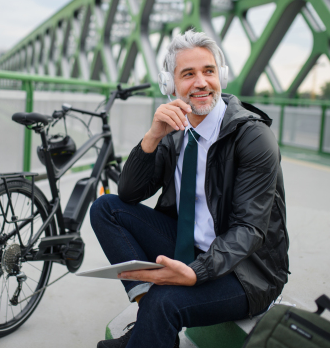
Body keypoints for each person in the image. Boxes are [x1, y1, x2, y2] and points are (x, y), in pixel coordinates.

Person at [90, 30, 289, 348]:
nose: (201, 82)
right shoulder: (174, 132)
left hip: (245, 271)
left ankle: (149, 324)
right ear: (170, 86)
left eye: (209, 71)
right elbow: (128, 194)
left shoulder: (252, 136)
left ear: (220, 76)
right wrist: (152, 137)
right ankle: (147, 322)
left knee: (164, 301)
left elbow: (251, 229)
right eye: (188, 74)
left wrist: (197, 271)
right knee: (105, 207)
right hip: (190, 246)